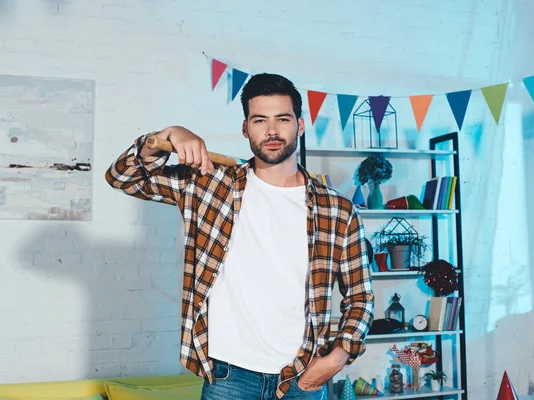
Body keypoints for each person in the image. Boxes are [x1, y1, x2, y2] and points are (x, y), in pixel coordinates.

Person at [105, 73, 374, 399]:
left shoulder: (338, 210)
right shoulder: (208, 184)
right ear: (246, 128)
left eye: (283, 119)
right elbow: (123, 177)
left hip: (301, 377)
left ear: (300, 126)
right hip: (228, 376)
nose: (272, 131)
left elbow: (360, 297)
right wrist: (167, 134)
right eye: (260, 120)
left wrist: (336, 358)